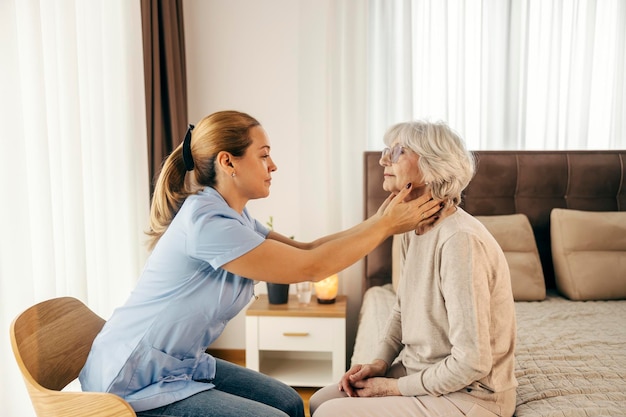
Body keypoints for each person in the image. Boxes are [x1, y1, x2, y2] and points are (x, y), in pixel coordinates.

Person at [79, 110, 443, 417]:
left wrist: (379, 220)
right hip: (133, 378)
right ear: (228, 162)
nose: (273, 165)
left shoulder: (233, 215)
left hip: (175, 364)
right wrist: (386, 226)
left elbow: (307, 249)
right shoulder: (207, 223)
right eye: (263, 155)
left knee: (288, 402)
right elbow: (310, 268)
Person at [309, 120, 518, 417]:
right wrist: (379, 363)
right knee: (320, 400)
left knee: (330, 413)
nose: (384, 159)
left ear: (433, 165)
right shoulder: (412, 228)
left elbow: (473, 362)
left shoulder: (459, 240)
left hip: (470, 395)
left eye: (398, 151)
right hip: (423, 372)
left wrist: (391, 388)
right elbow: (401, 308)